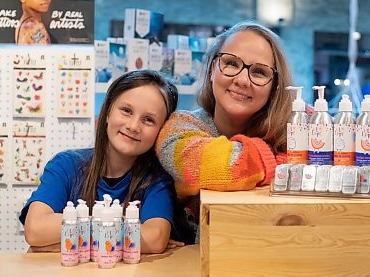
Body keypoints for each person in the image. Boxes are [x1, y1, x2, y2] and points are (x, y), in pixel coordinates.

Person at [156, 21, 293, 243]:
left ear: (274, 87)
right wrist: (279, 159)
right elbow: (213, 166)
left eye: (258, 72)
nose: (241, 80)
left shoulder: (293, 131)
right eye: (231, 63)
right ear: (212, 70)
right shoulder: (179, 127)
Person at [20, 70, 182, 253]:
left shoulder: (157, 180)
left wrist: (71, 239)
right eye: (127, 111)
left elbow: (154, 240)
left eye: (148, 120)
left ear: (161, 130)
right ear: (107, 112)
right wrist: (125, 234)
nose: (133, 126)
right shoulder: (65, 165)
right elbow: (35, 230)